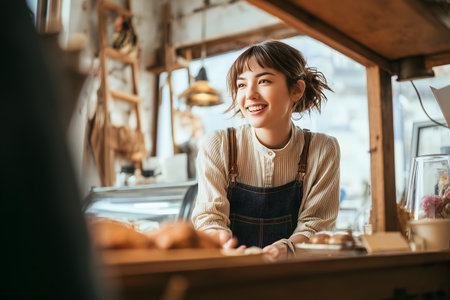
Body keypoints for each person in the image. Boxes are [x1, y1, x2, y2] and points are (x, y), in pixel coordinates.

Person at [191, 40, 340, 259]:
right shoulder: (219, 145)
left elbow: (316, 224)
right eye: (241, 84)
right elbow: (209, 218)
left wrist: (286, 249)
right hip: (231, 269)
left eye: (263, 81)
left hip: (293, 275)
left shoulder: (322, 149)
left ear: (297, 90)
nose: (249, 94)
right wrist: (222, 241)